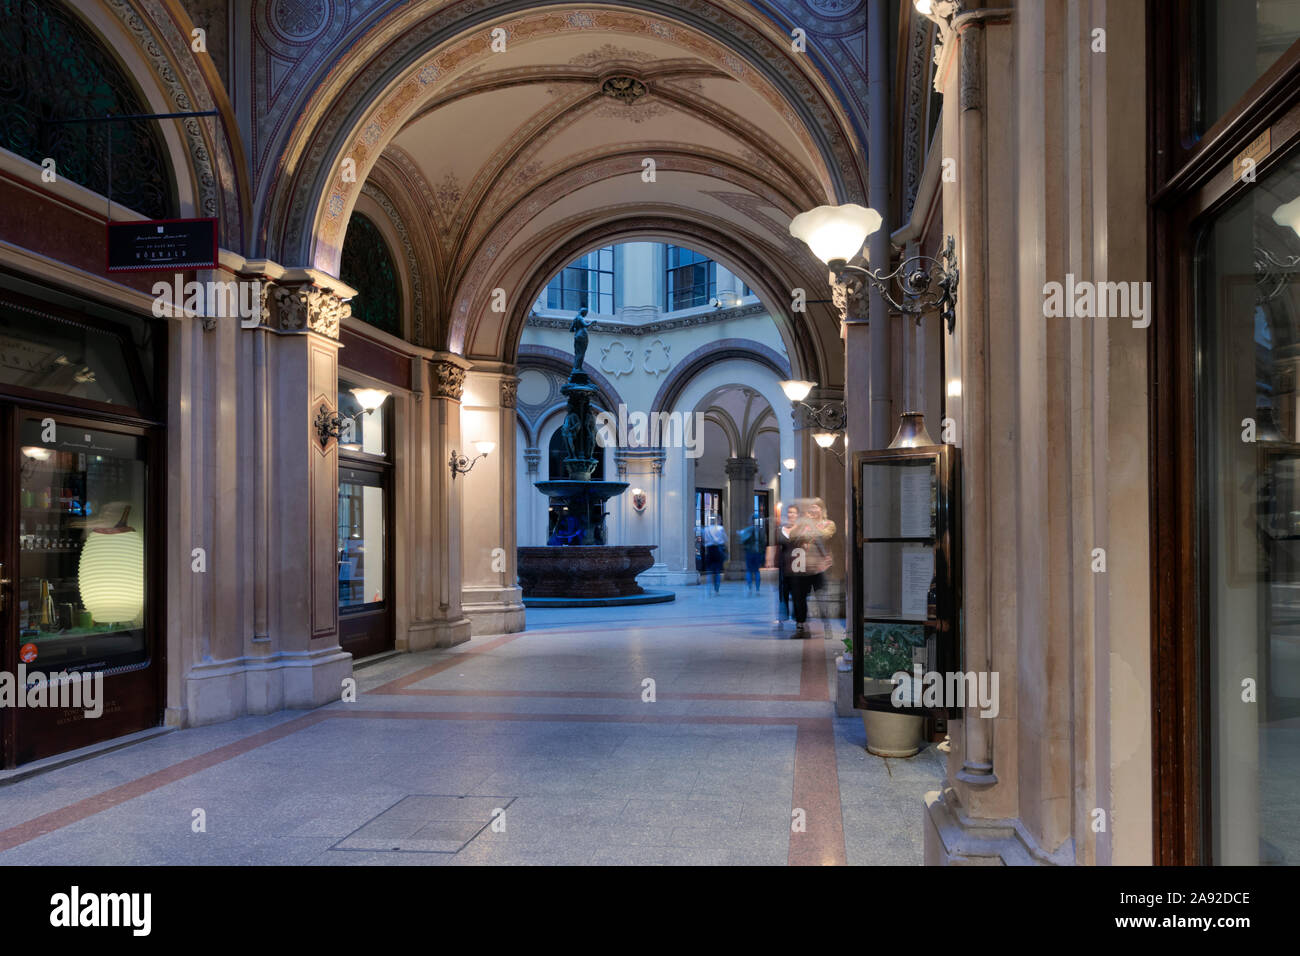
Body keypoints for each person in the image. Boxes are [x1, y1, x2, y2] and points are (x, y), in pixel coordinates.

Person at [774, 503, 799, 629]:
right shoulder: (780, 530)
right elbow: (777, 547)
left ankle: (798, 619)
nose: (791, 515)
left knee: (797, 592)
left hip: (797, 566)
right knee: (783, 592)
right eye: (789, 512)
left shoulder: (801, 530)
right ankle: (782, 618)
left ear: (797, 515)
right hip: (784, 565)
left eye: (794, 512)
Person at [737, 511, 766, 596]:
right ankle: (757, 589)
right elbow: (763, 542)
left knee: (749, 571)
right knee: (757, 571)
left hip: (749, 553)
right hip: (757, 553)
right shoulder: (760, 530)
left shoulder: (748, 530)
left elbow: (742, 539)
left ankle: (750, 588)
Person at [702, 516, 727, 595]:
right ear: (717, 520)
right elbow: (725, 539)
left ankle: (708, 588)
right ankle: (716, 589)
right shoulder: (720, 528)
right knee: (717, 571)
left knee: (710, 571)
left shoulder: (706, 529)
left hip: (709, 550)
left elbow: (704, 540)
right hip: (717, 550)